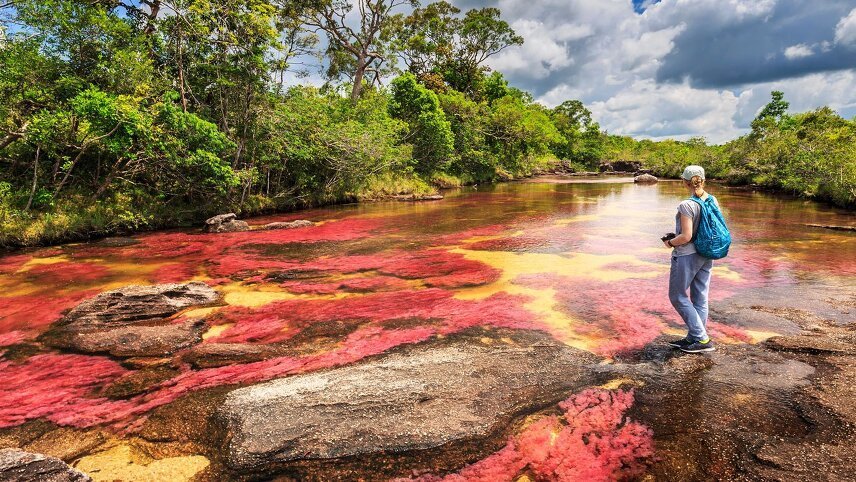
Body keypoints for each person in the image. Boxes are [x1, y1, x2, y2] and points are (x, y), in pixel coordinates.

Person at [664, 165, 716, 353]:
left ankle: (701, 339)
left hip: (687, 254)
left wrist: (670, 242)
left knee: (677, 295)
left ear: (685, 181)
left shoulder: (687, 205)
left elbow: (685, 237)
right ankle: (695, 337)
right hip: (707, 252)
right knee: (700, 296)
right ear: (703, 179)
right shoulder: (712, 200)